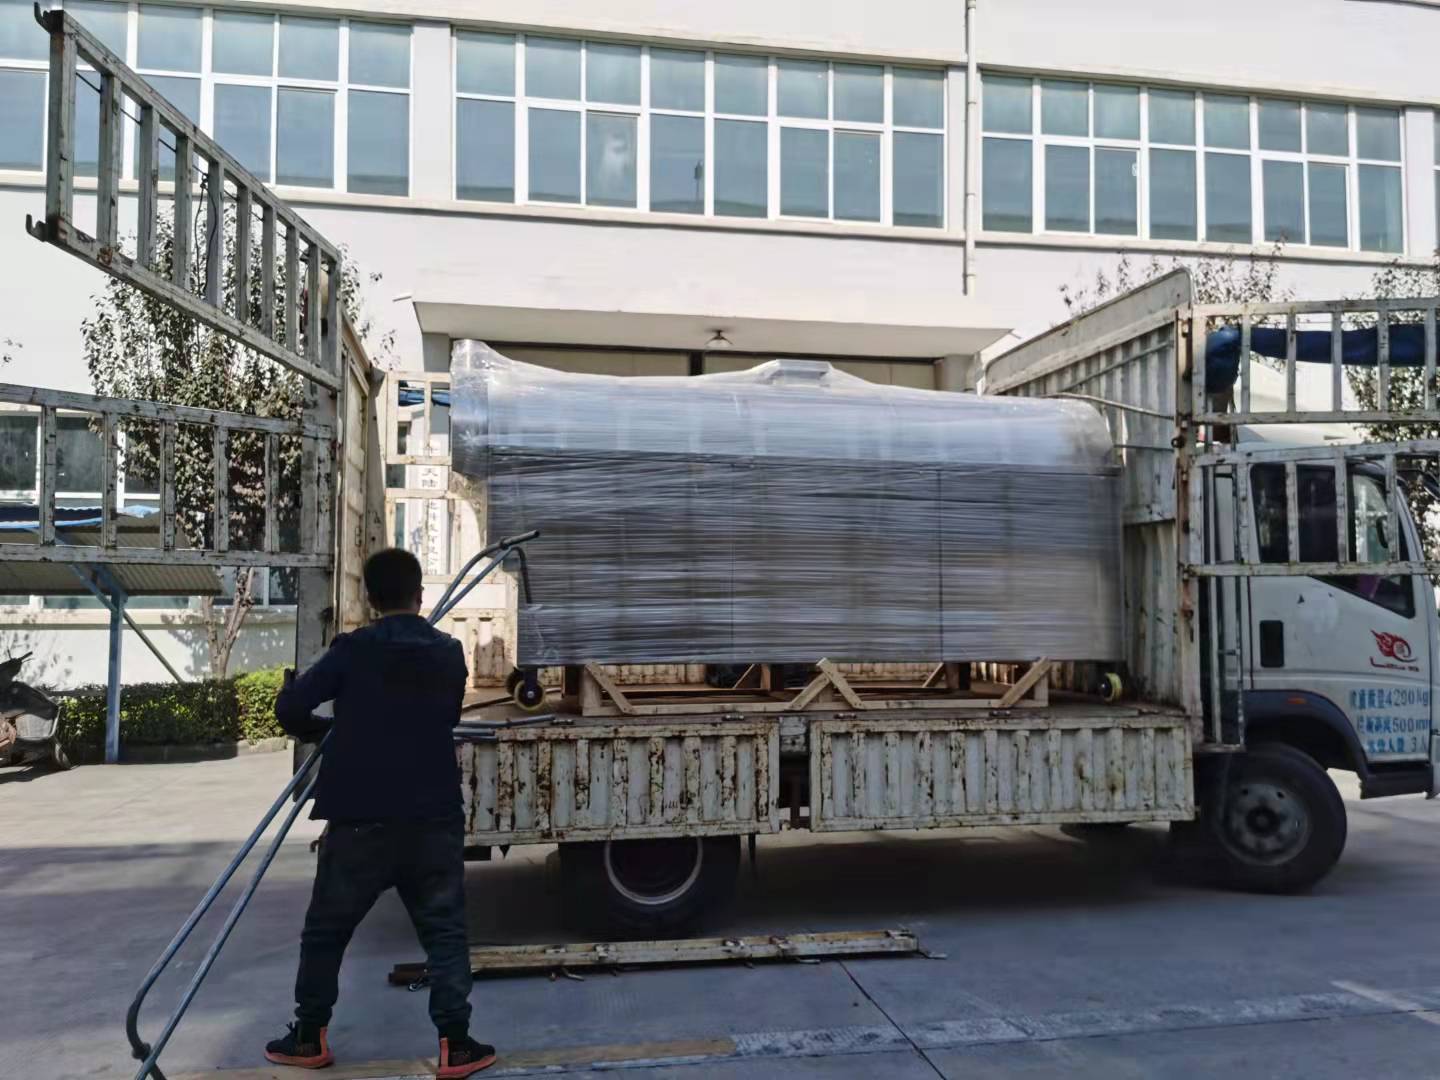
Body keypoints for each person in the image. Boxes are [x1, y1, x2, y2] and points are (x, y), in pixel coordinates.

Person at [264, 547, 494, 1077]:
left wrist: (328, 730)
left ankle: (308, 1037)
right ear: (420, 595)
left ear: (370, 599)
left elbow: (292, 708)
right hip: (433, 818)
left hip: (360, 820)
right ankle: (457, 1045)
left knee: (326, 932)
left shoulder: (352, 650)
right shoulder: (449, 653)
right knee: (445, 934)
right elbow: (443, 717)